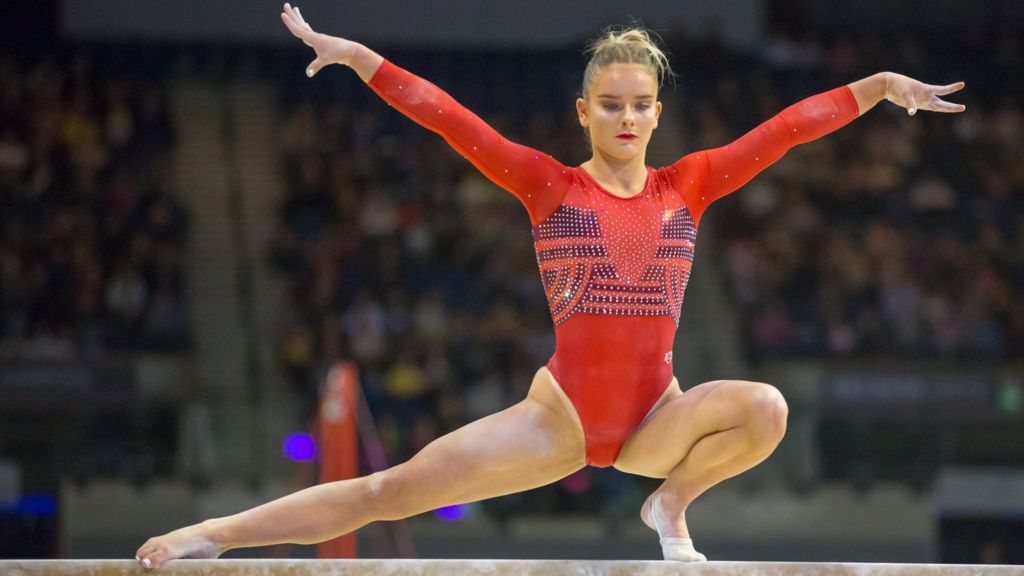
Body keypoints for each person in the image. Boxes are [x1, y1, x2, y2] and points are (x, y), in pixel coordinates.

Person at [135, 4, 966, 568]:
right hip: (557, 418)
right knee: (389, 494)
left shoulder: (691, 185)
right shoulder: (548, 188)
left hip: (654, 418)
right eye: (610, 106)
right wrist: (362, 61)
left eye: (641, 105)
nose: (628, 119)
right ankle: (214, 535)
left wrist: (880, 89)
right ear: (582, 112)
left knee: (767, 408)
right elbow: (449, 118)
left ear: (657, 114)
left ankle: (668, 507)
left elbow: (785, 130)